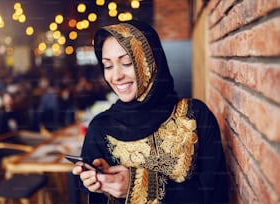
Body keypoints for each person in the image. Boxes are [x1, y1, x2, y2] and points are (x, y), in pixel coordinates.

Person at [72, 20, 228, 204]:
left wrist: (139, 186)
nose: (116, 76)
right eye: (108, 66)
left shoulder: (195, 116)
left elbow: (215, 195)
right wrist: (95, 181)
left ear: (150, 61)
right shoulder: (101, 127)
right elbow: (89, 191)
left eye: (127, 62)